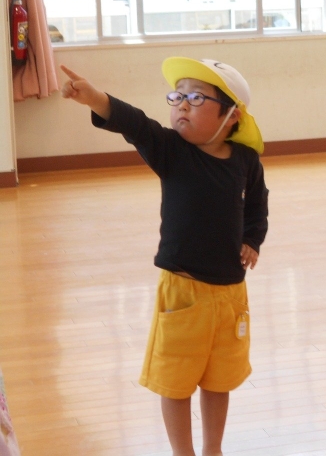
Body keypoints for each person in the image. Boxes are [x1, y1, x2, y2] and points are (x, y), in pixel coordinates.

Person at [60, 57, 269, 455]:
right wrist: (96, 98)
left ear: (232, 116)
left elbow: (258, 204)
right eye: (177, 96)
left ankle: (213, 449)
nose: (182, 104)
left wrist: (252, 239)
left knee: (219, 381)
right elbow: (136, 123)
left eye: (197, 97)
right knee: (175, 382)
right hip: (182, 294)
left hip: (230, 296)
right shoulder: (171, 151)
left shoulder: (246, 161)